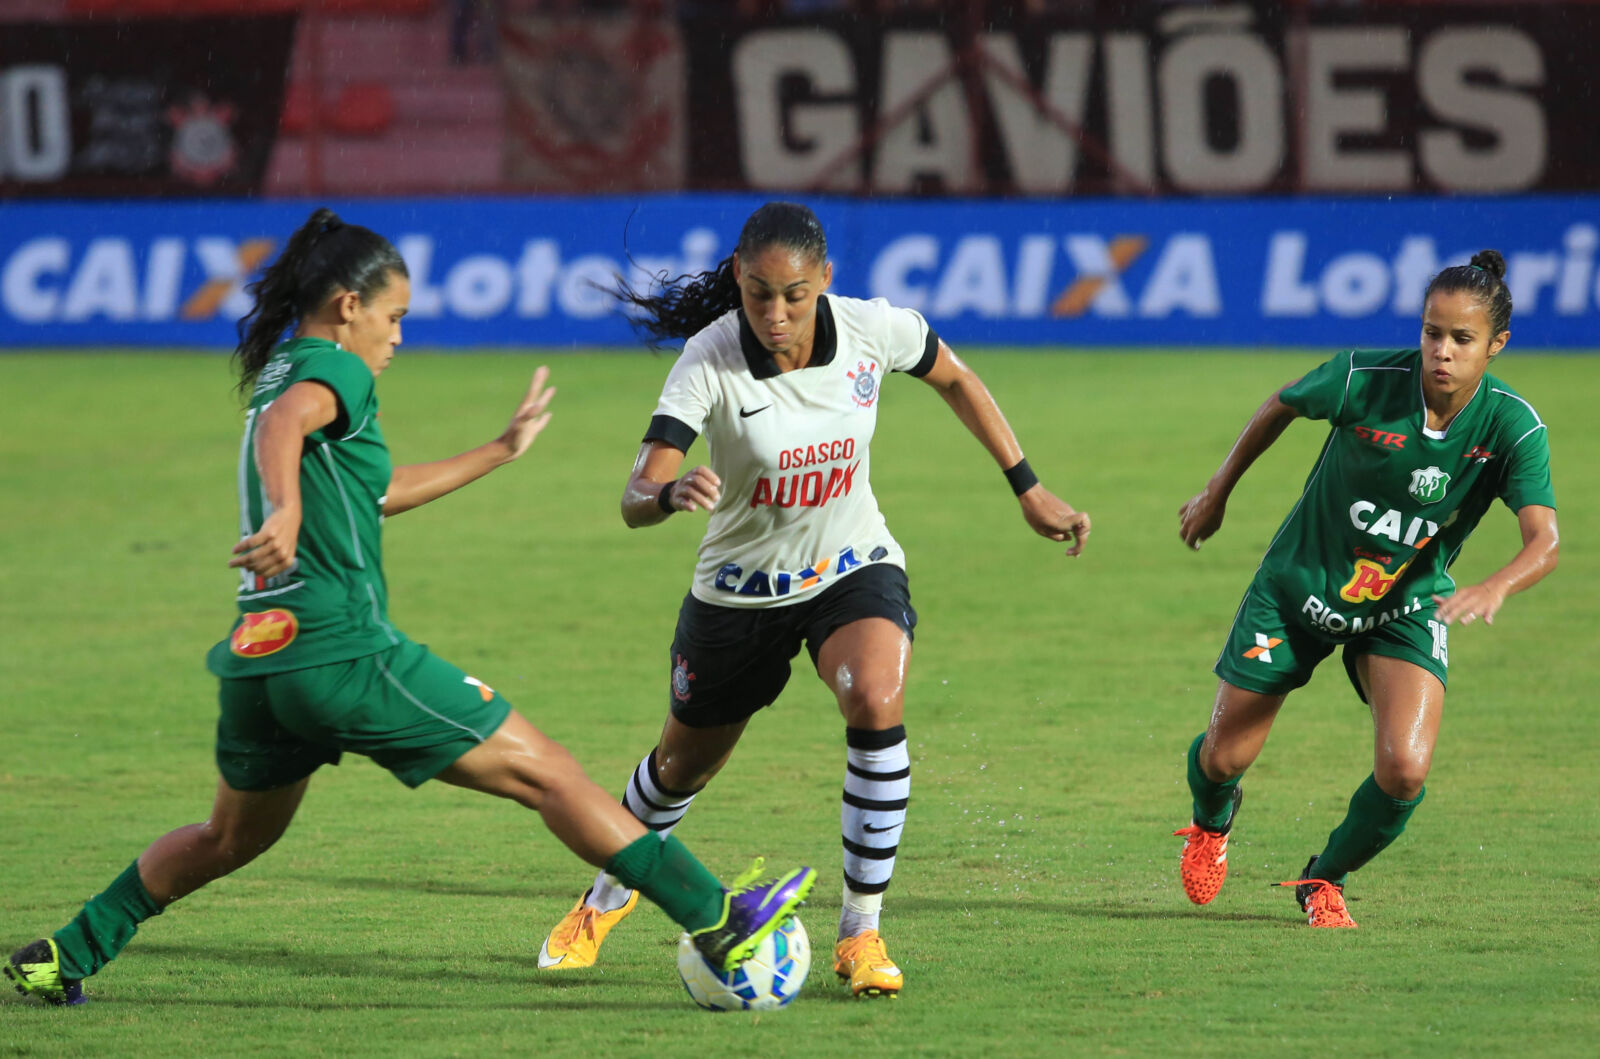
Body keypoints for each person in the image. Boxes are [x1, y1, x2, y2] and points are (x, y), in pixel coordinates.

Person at [4, 208, 814, 1007]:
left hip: (260, 660)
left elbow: (373, 490)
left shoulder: (288, 367)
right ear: (348, 306)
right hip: (342, 654)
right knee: (553, 775)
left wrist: (496, 452)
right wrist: (283, 508)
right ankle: (718, 920)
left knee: (229, 837)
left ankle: (66, 952)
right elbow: (287, 428)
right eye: (393, 317)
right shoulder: (333, 369)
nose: (397, 337)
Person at [535, 201, 1091, 996]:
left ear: (824, 279)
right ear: (738, 279)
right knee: (676, 770)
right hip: (737, 595)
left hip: (850, 565)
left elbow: (957, 378)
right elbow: (637, 488)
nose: (775, 312)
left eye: (793, 294)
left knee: (876, 696)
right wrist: (664, 496)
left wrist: (1028, 488)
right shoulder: (710, 357)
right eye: (758, 292)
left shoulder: (873, 329)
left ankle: (860, 933)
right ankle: (603, 899)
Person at [1172, 250, 1558, 928]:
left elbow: (1545, 540)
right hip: (1300, 588)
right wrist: (1216, 492)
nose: (1441, 350)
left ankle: (1324, 877)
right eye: (1431, 331)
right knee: (1223, 754)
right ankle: (1211, 818)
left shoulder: (1511, 427)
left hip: (1402, 606)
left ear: (1497, 343)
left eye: (1461, 338)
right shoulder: (1363, 377)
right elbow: (1281, 404)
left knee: (1405, 769)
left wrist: (1497, 585)